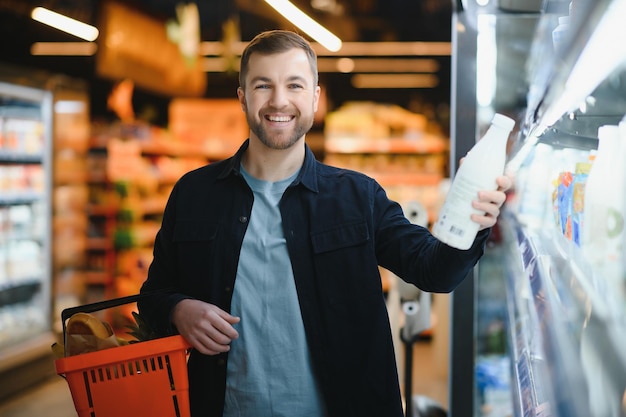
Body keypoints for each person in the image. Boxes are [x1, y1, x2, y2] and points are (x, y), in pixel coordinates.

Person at [138, 29, 511, 417]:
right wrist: (178, 309)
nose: (279, 101)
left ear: (316, 98)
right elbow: (154, 293)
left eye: (294, 85)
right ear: (242, 97)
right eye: (263, 85)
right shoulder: (194, 194)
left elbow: (435, 271)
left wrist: (473, 221)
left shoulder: (358, 198)